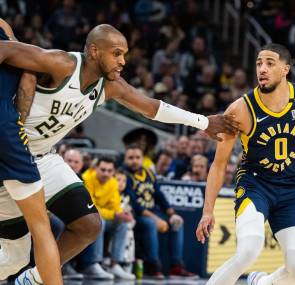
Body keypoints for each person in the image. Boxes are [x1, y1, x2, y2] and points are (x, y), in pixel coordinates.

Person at [0, 23, 238, 284]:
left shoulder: (110, 86)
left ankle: (35, 278)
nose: (123, 61)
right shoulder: (61, 63)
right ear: (94, 51)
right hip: (11, 158)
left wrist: (203, 122)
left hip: (44, 157)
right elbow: (7, 49)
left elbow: (151, 107)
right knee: (14, 258)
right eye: (116, 53)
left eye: (124, 54)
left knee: (89, 225)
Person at [195, 43, 295, 285]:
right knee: (247, 251)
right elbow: (219, 164)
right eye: (258, 63)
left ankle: (260, 283)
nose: (262, 69)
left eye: (269, 63)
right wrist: (207, 211)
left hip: (292, 189)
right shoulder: (240, 109)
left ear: (285, 69)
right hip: (256, 185)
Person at [0, 19, 62, 284]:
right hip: (5, 128)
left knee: (18, 252)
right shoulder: (4, 29)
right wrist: (19, 122)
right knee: (41, 228)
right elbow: (29, 75)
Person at [123, 145, 197, 279]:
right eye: (130, 158)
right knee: (150, 224)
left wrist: (172, 214)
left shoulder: (149, 174)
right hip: (133, 215)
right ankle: (153, 266)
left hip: (152, 212)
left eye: (137, 157)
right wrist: (156, 219)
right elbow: (135, 205)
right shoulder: (124, 176)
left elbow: (159, 196)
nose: (134, 161)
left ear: (142, 159)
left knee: (177, 223)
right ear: (125, 159)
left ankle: (176, 266)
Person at [80, 157, 135, 280]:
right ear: (96, 169)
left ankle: (114, 264)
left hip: (103, 216)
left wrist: (123, 214)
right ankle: (94, 264)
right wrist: (115, 214)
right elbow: (91, 207)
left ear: (113, 172)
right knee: (101, 221)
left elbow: (115, 206)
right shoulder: (87, 178)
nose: (106, 173)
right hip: (85, 216)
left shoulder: (113, 182)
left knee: (123, 223)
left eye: (110, 171)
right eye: (103, 170)